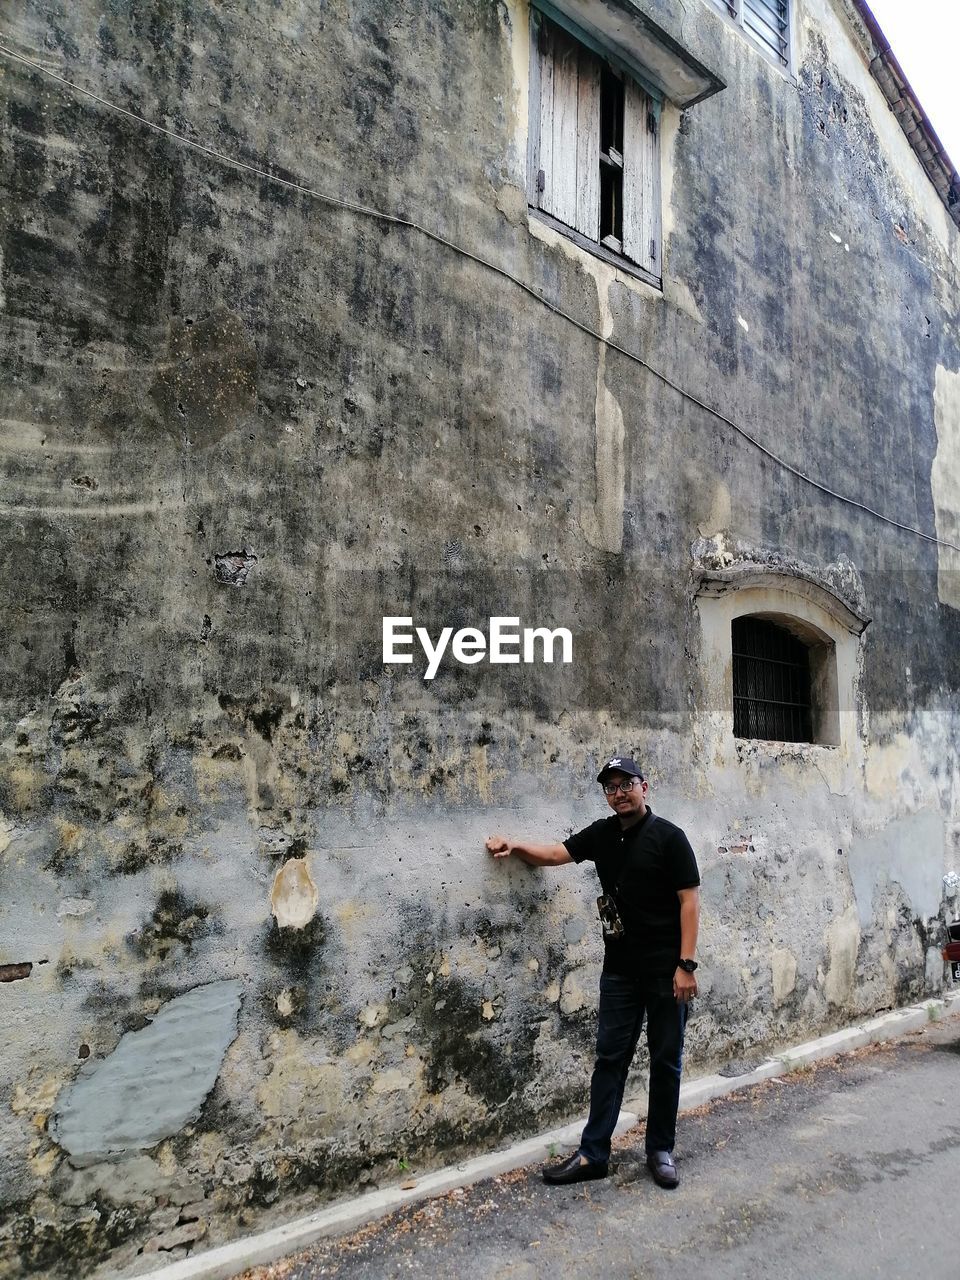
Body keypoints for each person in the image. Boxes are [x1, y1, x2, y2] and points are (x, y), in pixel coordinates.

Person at [485, 754, 700, 1189]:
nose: (620, 793)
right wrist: (517, 847)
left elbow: (689, 902)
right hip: (619, 972)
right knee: (608, 1061)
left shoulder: (670, 838)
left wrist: (686, 966)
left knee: (666, 1063)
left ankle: (660, 1150)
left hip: (666, 973)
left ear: (645, 787)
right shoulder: (603, 835)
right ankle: (593, 1153)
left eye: (627, 784)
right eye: (611, 787)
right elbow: (555, 854)